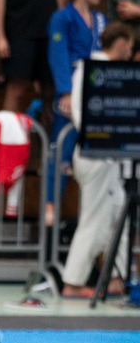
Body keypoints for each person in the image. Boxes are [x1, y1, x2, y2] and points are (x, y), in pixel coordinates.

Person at [61, 22, 135, 298]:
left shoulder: (112, 71)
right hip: (96, 154)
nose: (130, 52)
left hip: (110, 155)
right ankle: (73, 282)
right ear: (120, 44)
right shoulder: (91, 69)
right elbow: (82, 114)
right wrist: (101, 141)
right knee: (94, 219)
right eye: (129, 46)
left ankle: (116, 277)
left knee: (119, 217)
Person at [47, 0, 107, 226]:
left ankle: (94, 215)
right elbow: (57, 55)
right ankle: (50, 206)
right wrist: (65, 92)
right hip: (71, 85)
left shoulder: (100, 19)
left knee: (96, 152)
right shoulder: (62, 17)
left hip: (94, 87)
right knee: (61, 150)